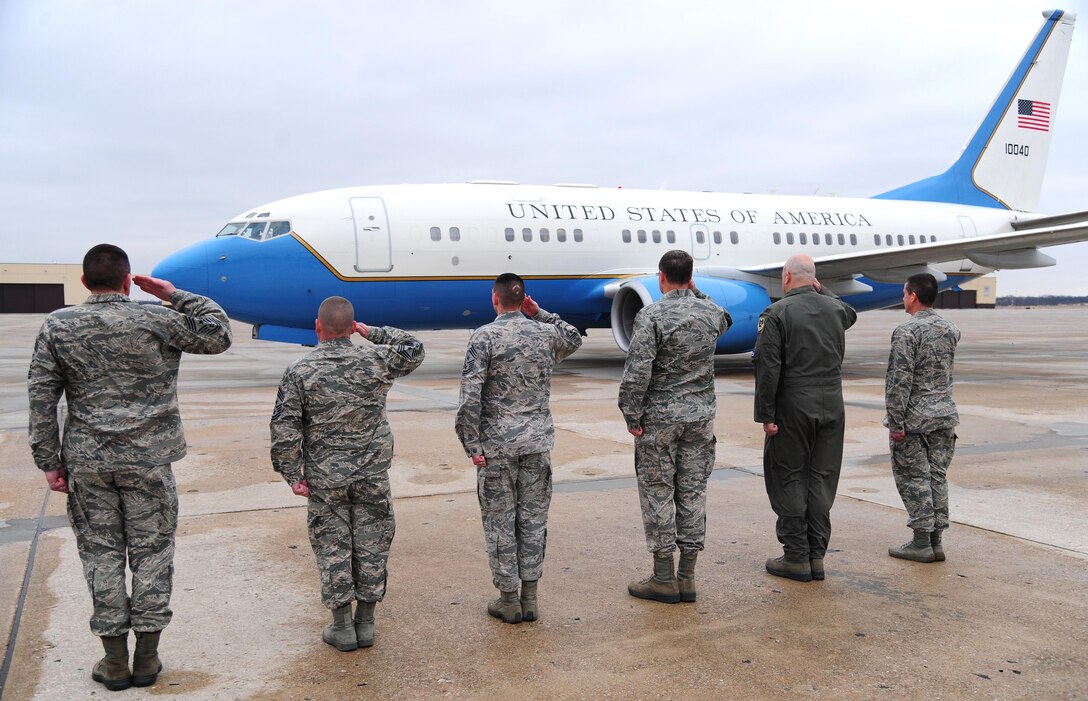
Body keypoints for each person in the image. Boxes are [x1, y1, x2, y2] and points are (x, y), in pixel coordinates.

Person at [27, 243, 233, 691]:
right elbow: (219, 333)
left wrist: (49, 461)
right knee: (153, 554)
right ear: (127, 280)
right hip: (149, 462)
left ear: (84, 283)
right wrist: (174, 294)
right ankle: (147, 657)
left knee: (100, 555)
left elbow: (42, 396)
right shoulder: (155, 317)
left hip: (88, 462)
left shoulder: (58, 325)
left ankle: (114, 661)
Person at [270, 296, 424, 651]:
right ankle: (365, 623)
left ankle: (342, 628)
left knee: (332, 544)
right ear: (353, 327)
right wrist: (374, 333)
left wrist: (292, 474)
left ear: (317, 326)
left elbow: (284, 426)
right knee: (372, 541)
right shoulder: (377, 359)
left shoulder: (301, 370)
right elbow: (413, 348)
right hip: (371, 473)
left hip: (325, 479)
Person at [455, 273, 582, 624]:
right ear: (524, 299)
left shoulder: (484, 337)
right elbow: (573, 338)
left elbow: (470, 397)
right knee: (533, 520)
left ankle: (509, 600)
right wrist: (541, 314)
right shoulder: (544, 333)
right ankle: (530, 599)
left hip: (496, 447)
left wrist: (471, 443)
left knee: (500, 521)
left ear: (494, 299)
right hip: (537, 443)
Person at [618, 250, 732, 604]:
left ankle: (663, 576)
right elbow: (725, 319)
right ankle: (688, 576)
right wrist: (696, 293)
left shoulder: (651, 315)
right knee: (693, 492)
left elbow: (638, 371)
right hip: (699, 419)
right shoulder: (710, 312)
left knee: (658, 492)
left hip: (660, 421)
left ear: (661, 277)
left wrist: (631, 415)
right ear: (691, 276)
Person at [753, 253, 857, 582]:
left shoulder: (776, 313)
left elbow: (768, 370)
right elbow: (849, 313)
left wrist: (766, 415)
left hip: (793, 404)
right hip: (832, 403)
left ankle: (796, 555)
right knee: (821, 478)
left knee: (788, 476)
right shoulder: (835, 309)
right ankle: (816, 555)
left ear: (785, 278)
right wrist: (822, 290)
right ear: (814, 279)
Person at [885, 273, 960, 563]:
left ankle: (920, 541)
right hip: (944, 416)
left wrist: (895, 422)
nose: (903, 298)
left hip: (914, 420)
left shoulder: (907, 332)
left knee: (914, 479)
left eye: (904, 293)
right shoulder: (950, 328)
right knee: (937, 477)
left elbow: (899, 381)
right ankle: (936, 540)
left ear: (913, 296)